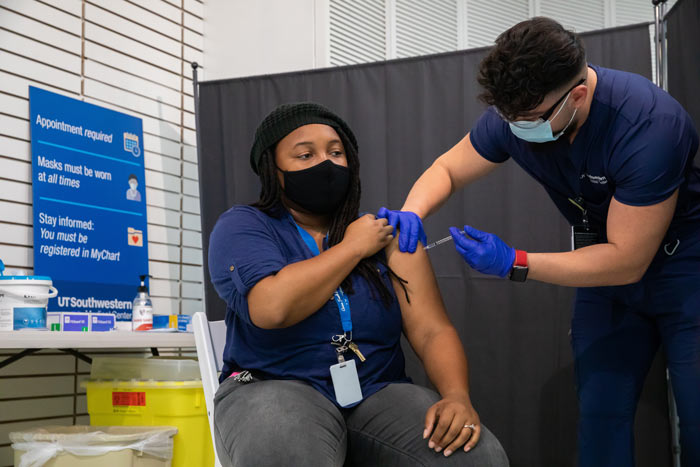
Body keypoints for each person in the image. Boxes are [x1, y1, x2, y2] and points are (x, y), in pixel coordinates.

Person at [378, 17, 700, 467]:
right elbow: (448, 170)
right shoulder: (519, 116)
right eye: (509, 119)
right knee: (601, 419)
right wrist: (412, 211)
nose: (517, 129)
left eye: (528, 119)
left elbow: (628, 260)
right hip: (605, 278)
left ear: (578, 96)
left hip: (683, 272)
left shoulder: (648, 126)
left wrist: (516, 262)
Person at [208, 103, 509, 467]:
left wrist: (457, 396)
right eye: (305, 154)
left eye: (336, 153)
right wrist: (353, 248)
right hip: (273, 385)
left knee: (476, 456)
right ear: (273, 169)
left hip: (376, 390)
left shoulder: (386, 233)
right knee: (286, 452)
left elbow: (432, 330)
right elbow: (273, 308)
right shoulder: (244, 226)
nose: (326, 163)